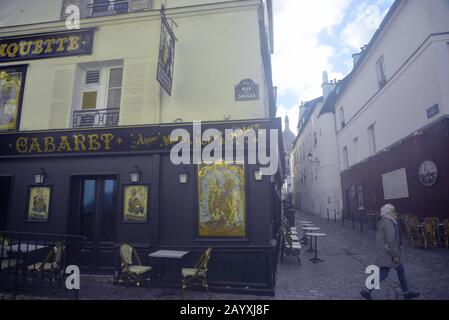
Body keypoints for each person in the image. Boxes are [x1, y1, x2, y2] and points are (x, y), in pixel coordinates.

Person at [360, 204, 420, 300]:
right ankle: (366, 290)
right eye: (393, 211)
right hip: (388, 253)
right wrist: (396, 255)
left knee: (400, 270)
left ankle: (406, 292)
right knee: (384, 273)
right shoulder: (388, 222)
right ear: (388, 213)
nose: (395, 213)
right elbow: (391, 240)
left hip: (386, 252)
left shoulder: (386, 221)